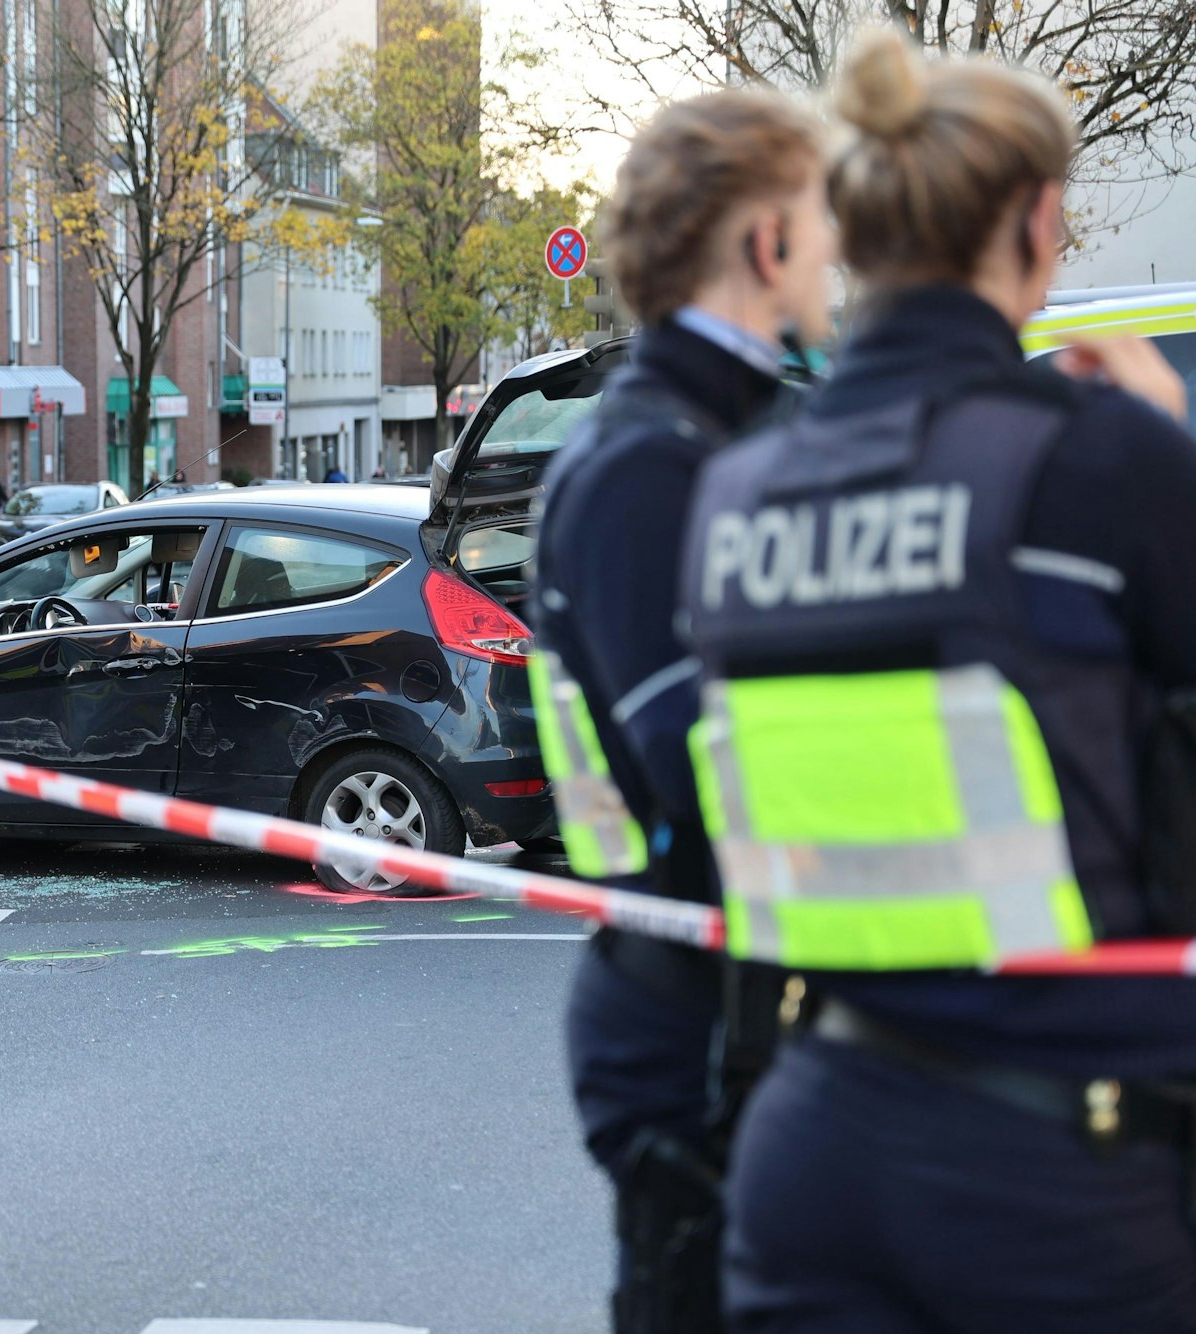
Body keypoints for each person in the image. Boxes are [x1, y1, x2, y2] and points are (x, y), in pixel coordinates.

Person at [678, 32, 1196, 1331]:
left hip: (813, 1141)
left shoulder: (735, 493)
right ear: (1035, 221)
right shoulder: (1095, 461)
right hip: (1060, 1171)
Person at [529, 89, 834, 1333]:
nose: (836, 255)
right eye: (821, 224)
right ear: (765, 245)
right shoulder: (649, 462)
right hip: (692, 1033)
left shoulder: (726, 429)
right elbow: (703, 768)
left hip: (743, 1013)